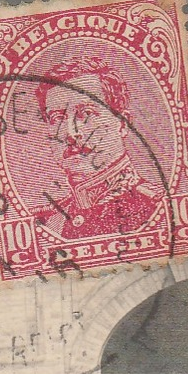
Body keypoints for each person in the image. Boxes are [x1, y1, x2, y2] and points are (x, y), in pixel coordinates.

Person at [34, 56, 165, 243]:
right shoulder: (46, 223)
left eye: (86, 114)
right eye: (56, 118)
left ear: (122, 124)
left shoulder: (158, 207)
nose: (71, 133)